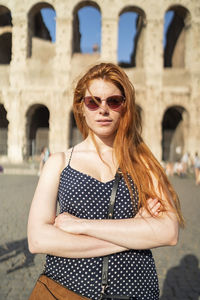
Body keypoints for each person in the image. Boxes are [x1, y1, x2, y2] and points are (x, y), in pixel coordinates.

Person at [27, 63, 184, 300]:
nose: (103, 109)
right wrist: (136, 231)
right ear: (81, 107)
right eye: (93, 101)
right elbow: (38, 239)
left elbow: (168, 232)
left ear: (125, 107)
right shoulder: (58, 163)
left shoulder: (144, 164)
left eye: (113, 101)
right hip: (65, 291)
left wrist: (82, 225)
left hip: (134, 292)